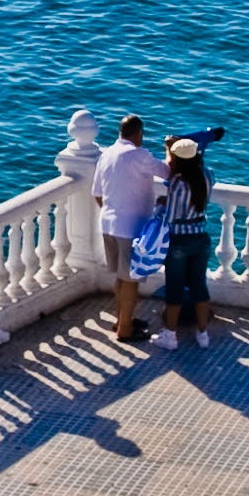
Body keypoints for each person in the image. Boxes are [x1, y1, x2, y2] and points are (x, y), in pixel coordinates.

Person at [91, 114, 166, 347]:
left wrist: (114, 213)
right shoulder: (140, 155)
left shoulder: (106, 155)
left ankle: (122, 319)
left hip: (108, 224)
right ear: (138, 134)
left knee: (121, 279)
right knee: (131, 280)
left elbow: (97, 194)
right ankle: (125, 329)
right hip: (130, 228)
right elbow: (169, 173)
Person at [151, 136, 217, 350]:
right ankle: (203, 333)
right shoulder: (207, 175)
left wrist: (161, 204)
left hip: (179, 240)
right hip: (201, 238)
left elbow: (169, 217)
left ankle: (170, 336)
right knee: (199, 286)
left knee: (175, 289)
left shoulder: (178, 183)